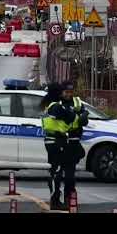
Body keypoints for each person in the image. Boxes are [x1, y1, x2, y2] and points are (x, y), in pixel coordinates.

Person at [40, 83, 76, 211]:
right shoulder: (56, 107)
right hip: (56, 141)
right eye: (61, 92)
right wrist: (74, 112)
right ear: (57, 93)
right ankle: (55, 200)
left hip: (52, 140)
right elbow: (70, 117)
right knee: (57, 172)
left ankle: (55, 199)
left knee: (55, 170)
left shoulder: (48, 105)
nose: (63, 94)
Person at [58, 80, 88, 207]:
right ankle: (56, 199)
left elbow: (83, 117)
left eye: (71, 92)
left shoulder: (77, 102)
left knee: (70, 175)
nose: (69, 94)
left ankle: (69, 197)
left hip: (73, 142)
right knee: (57, 174)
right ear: (61, 92)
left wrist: (84, 116)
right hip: (59, 142)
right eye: (66, 92)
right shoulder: (56, 103)